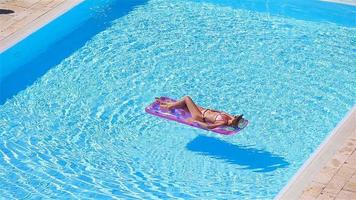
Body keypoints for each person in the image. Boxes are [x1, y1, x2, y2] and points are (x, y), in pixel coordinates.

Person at [157, 96, 245, 129]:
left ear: (234, 122)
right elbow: (218, 111)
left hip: (199, 116)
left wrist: (196, 121)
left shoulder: (223, 122)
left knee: (187, 99)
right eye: (238, 117)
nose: (236, 116)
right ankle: (167, 105)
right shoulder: (228, 116)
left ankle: (168, 106)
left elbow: (209, 127)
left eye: (236, 118)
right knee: (183, 105)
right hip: (202, 110)